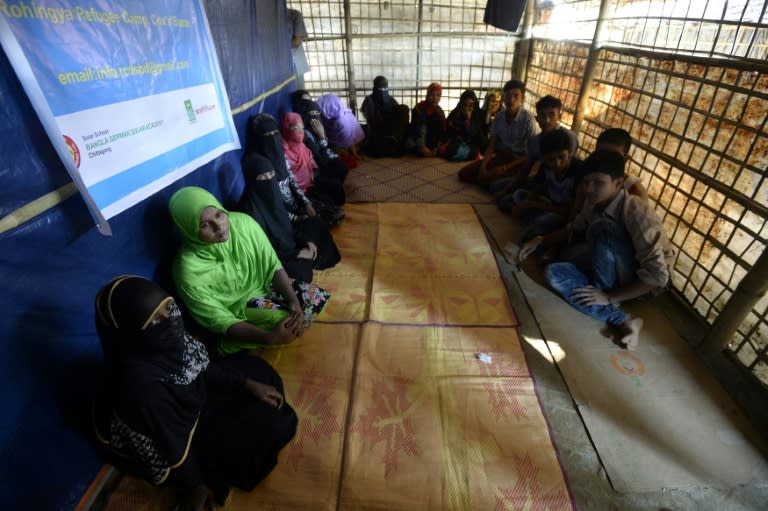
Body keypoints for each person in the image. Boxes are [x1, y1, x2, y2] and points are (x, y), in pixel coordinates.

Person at [92, 275, 298, 511]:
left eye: (168, 307)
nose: (169, 320)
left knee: (259, 372)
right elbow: (170, 444)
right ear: (131, 334)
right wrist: (195, 485)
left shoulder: (164, 337)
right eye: (154, 322)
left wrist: (247, 384)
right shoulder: (141, 387)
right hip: (174, 435)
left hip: (188, 400)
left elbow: (197, 367)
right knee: (267, 428)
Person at [518, 150, 675, 350]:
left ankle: (606, 297)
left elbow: (658, 276)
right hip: (612, 266)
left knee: (602, 229)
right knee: (554, 272)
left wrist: (610, 297)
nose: (589, 189)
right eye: (586, 182)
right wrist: (540, 240)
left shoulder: (636, 210)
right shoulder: (595, 203)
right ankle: (623, 319)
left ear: (618, 183)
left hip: (643, 283)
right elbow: (573, 228)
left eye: (598, 183)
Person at [169, 186, 330, 355]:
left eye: (218, 215)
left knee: (317, 299)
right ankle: (226, 345)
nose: (219, 226)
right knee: (284, 321)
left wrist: (293, 301)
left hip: (263, 286)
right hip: (236, 308)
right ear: (189, 230)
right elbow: (217, 318)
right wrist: (269, 338)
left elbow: (271, 265)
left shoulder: (244, 224)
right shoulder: (187, 270)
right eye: (205, 225)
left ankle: (246, 341)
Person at [239, 115, 341, 280]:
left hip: (291, 223)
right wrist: (297, 252)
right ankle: (308, 258)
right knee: (302, 272)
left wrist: (306, 239)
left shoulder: (279, 159)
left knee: (319, 219)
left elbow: (290, 184)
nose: (269, 179)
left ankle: (313, 256)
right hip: (278, 250)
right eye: (263, 178)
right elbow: (266, 249)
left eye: (271, 175)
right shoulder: (251, 210)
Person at [489, 94, 576, 202]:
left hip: (560, 190)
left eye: (552, 115)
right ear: (537, 118)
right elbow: (527, 168)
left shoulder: (569, 138)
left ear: (560, 116)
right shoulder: (535, 140)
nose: (547, 120)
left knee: (511, 201)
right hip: (539, 181)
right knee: (495, 187)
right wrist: (507, 190)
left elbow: (571, 171)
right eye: (543, 116)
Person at [500, 129, 583, 241]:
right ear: (544, 158)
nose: (557, 163)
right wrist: (526, 204)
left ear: (569, 153)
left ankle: (540, 227)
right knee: (515, 197)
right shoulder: (545, 166)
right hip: (548, 203)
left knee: (537, 227)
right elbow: (538, 188)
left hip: (563, 213)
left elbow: (571, 210)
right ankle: (535, 220)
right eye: (551, 159)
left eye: (561, 157)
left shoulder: (578, 171)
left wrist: (537, 205)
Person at [457, 79, 538, 186]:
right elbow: (492, 145)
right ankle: (489, 179)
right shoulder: (499, 117)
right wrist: (483, 166)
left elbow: (532, 154)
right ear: (504, 98)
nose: (511, 100)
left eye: (516, 96)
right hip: (502, 156)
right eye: (508, 95)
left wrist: (505, 168)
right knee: (463, 174)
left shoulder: (528, 120)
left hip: (518, 162)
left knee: (494, 184)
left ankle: (496, 181)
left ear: (522, 98)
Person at [276, 112, 346, 226]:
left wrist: (315, 176)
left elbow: (314, 162)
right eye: (295, 127)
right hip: (299, 193)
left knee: (335, 189)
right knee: (325, 214)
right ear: (285, 129)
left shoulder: (303, 145)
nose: (300, 131)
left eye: (302, 127)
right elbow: (290, 182)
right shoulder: (283, 152)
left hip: (311, 182)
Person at [290, 90, 349, 182]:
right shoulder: (302, 133)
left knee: (340, 166)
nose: (313, 114)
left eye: (311, 101)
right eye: (306, 103)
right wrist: (322, 137)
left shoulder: (317, 124)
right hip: (315, 166)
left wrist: (323, 137)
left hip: (322, 157)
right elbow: (318, 157)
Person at [360, 75, 411, 157]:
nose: (383, 92)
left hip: (392, 130)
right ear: (375, 88)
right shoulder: (369, 100)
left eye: (385, 89)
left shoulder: (391, 99)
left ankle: (395, 142)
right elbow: (371, 121)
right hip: (378, 130)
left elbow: (398, 116)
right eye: (380, 89)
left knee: (403, 108)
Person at [441, 89, 487, 161]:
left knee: (478, 149)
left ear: (474, 104)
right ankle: (471, 155)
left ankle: (473, 154)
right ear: (461, 104)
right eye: (465, 105)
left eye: (471, 105)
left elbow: (479, 137)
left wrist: (468, 119)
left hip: (474, 144)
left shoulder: (478, 114)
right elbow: (448, 131)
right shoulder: (456, 113)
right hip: (459, 144)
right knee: (447, 149)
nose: (467, 108)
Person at [316, 93, 366, 158]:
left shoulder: (338, 120)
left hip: (344, 146)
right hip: (356, 143)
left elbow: (345, 139)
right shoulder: (346, 112)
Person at [405, 82, 446, 157]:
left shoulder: (440, 112)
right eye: (432, 95)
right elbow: (416, 130)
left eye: (438, 95)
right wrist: (422, 147)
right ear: (427, 95)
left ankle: (430, 150)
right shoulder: (419, 108)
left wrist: (437, 147)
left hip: (432, 146)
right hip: (416, 142)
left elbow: (442, 132)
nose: (435, 98)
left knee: (436, 117)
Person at [288, 9, 309, 89]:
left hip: (295, 60)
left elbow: (296, 42)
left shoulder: (294, 15)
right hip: (275, 61)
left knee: (297, 92)